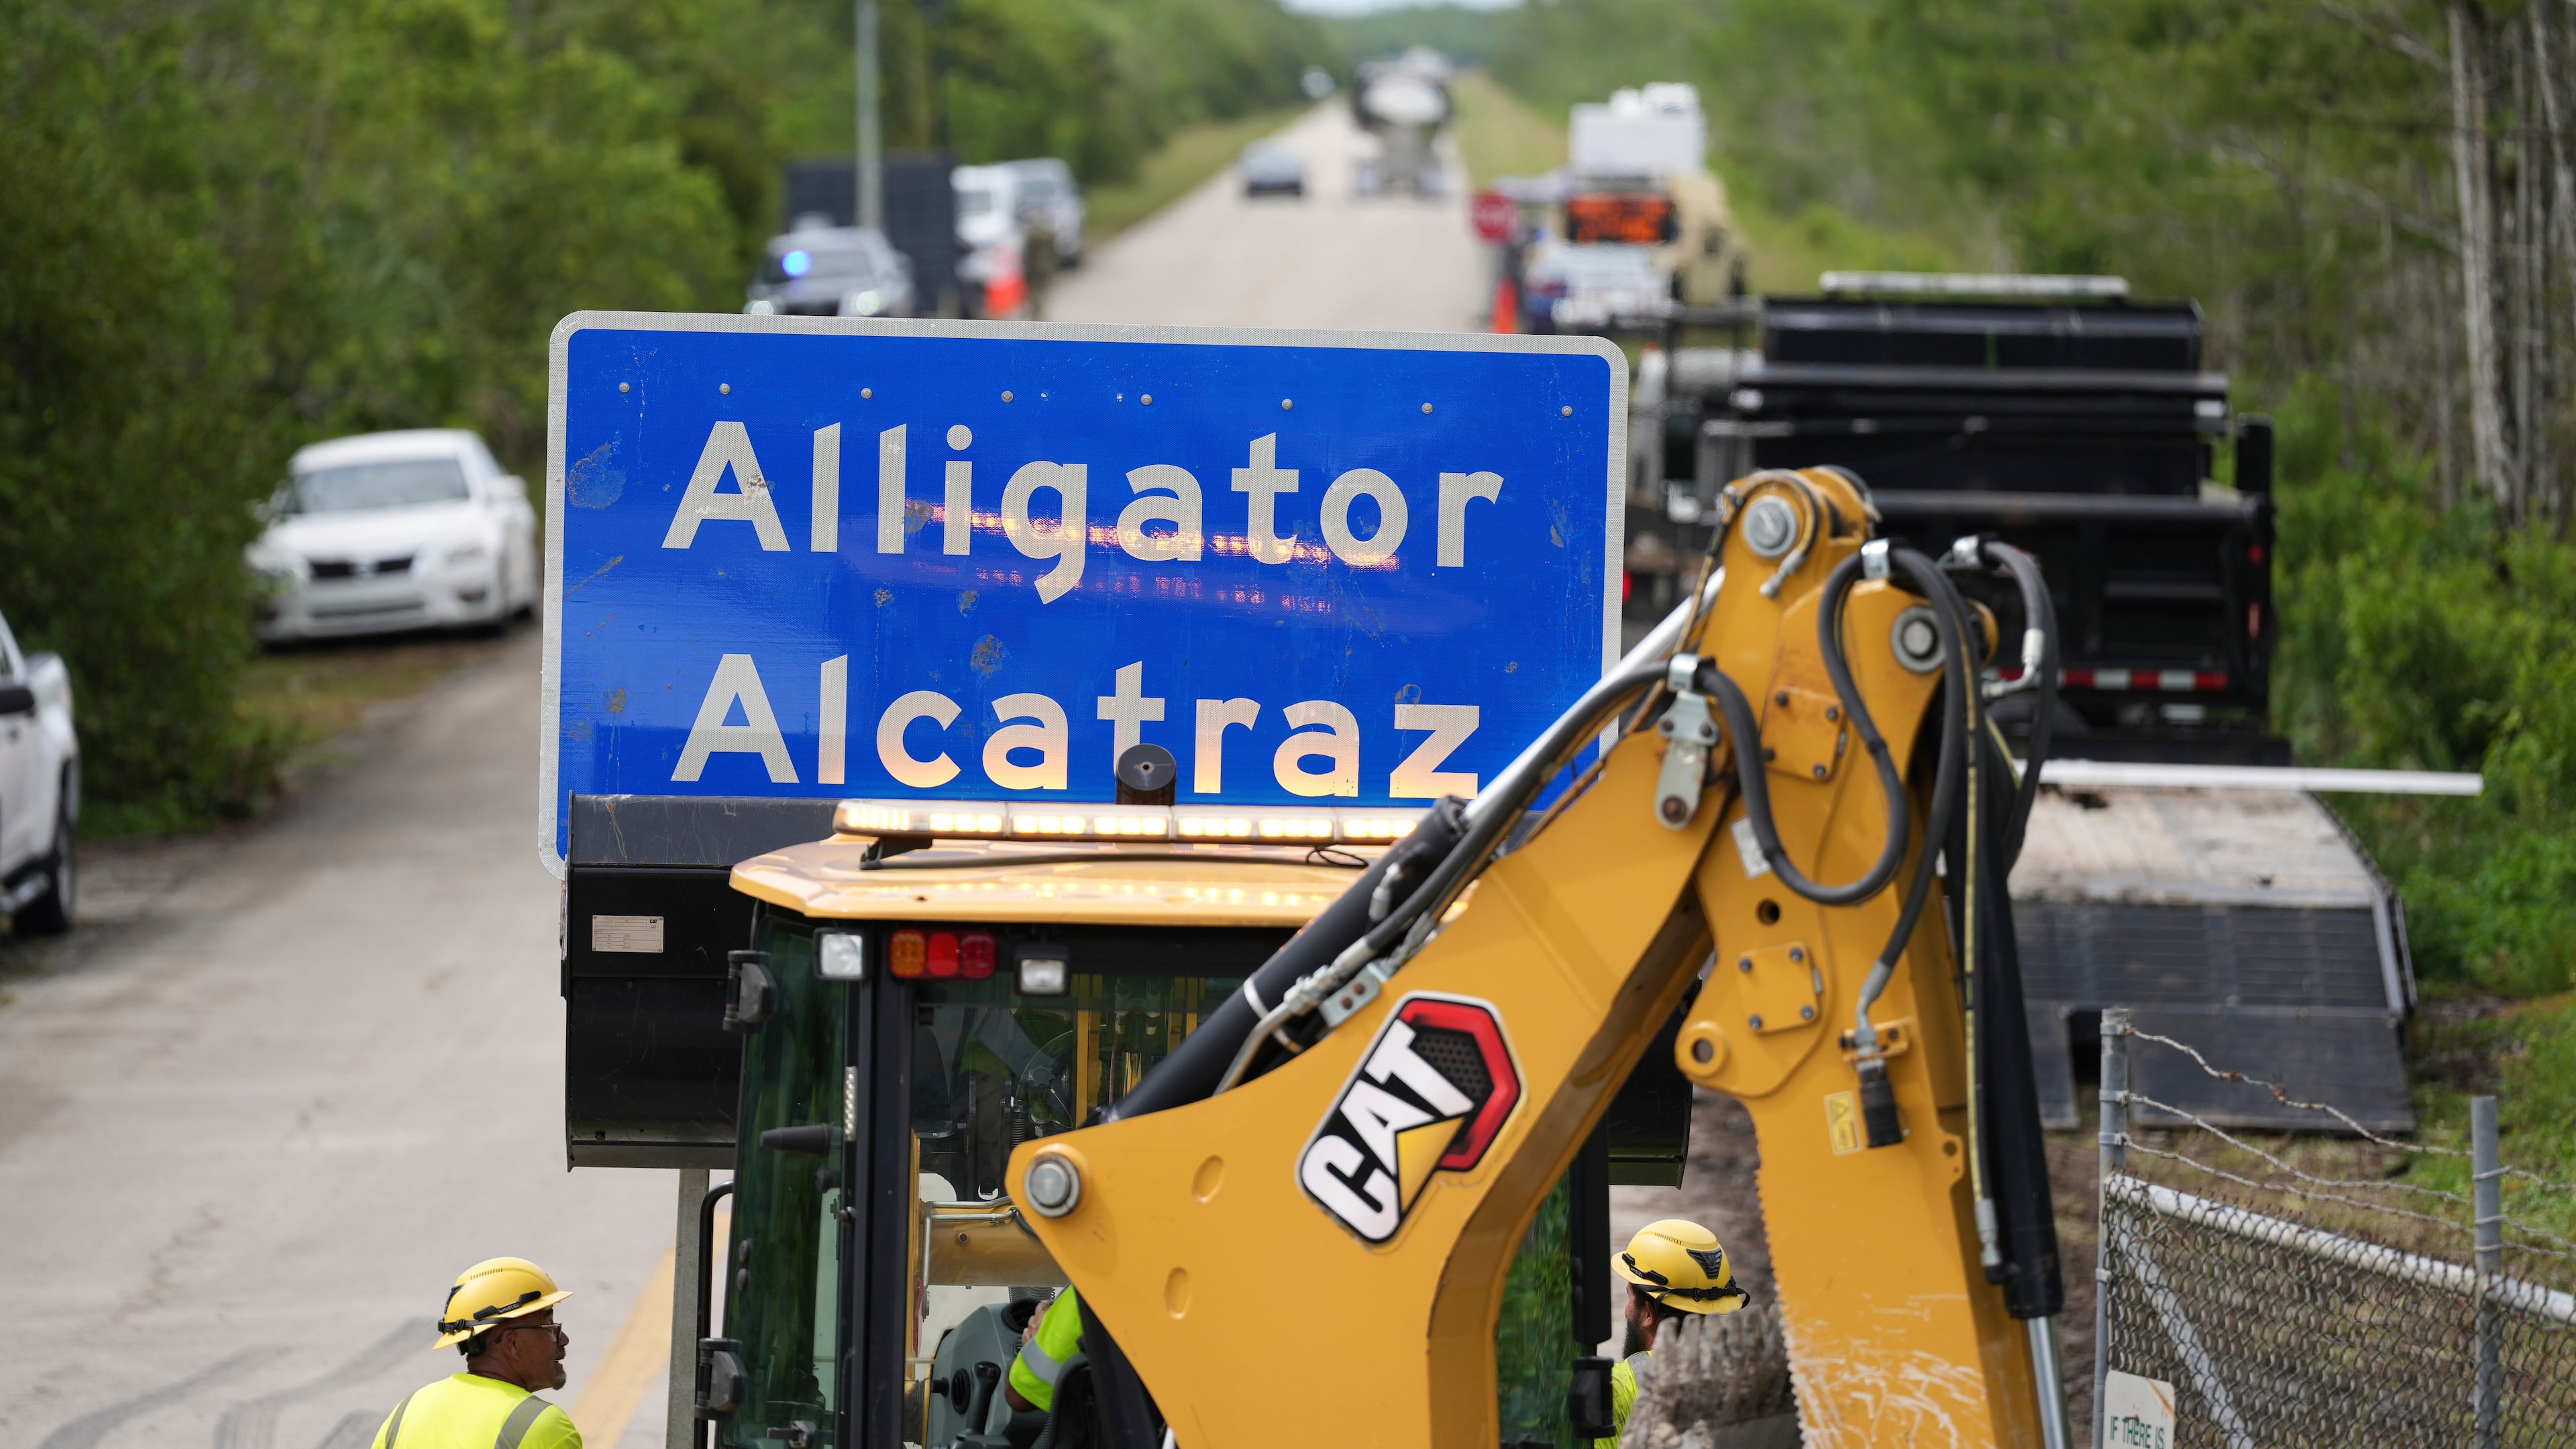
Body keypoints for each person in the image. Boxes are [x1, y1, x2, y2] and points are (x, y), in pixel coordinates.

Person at [370, 1256, 582, 1448]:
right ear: (512, 1343)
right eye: (548, 1326)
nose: (563, 1339)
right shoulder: (544, 1427)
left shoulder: (407, 1411)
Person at [1597, 1219, 1749, 1448]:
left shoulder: (1615, 1388)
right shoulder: (1746, 1375)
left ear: (1649, 1313)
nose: (1627, 1309)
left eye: (1630, 1298)